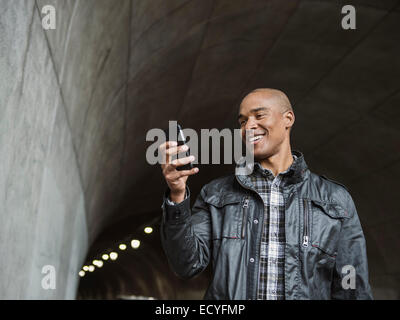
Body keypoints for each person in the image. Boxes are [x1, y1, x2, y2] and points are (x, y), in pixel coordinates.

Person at [158, 88, 373, 300]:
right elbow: (186, 264)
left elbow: (352, 284)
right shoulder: (215, 195)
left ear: (288, 119)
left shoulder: (335, 201)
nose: (249, 126)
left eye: (259, 116)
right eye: (242, 121)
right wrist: (177, 195)